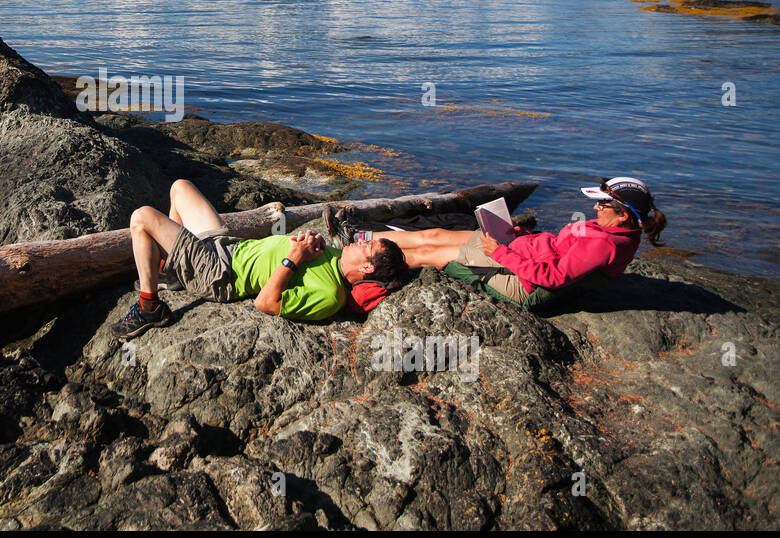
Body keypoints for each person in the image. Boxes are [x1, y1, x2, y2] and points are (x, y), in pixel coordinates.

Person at [113, 179, 407, 338]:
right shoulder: (334, 255)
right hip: (230, 247)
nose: (360, 241)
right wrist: (310, 241)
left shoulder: (330, 295)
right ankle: (174, 272)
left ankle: (149, 306)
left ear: (366, 267)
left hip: (221, 273)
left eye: (366, 245)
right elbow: (316, 244)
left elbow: (266, 303)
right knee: (180, 188)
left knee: (142, 218)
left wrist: (293, 258)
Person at [369, 176, 667, 309]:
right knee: (433, 235)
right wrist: (521, 236)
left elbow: (552, 278)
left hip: (524, 284)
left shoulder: (606, 244)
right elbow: (558, 247)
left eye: (603, 205)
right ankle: (361, 240)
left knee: (428, 254)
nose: (595, 208)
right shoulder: (610, 228)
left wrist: (500, 253)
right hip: (518, 252)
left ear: (624, 216)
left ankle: (369, 264)